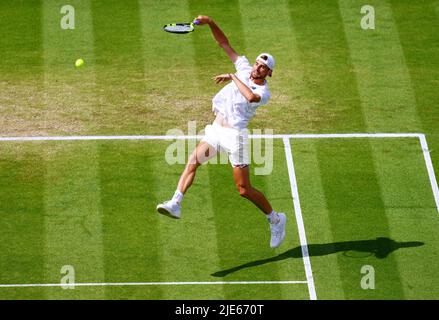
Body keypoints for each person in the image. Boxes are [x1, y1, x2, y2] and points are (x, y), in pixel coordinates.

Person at [157, 15, 286, 248]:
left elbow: (250, 96)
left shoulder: (262, 92)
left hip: (235, 137)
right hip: (216, 130)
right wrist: (210, 22)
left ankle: (275, 219)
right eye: (258, 62)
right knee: (193, 160)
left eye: (263, 67)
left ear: (269, 73)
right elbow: (225, 44)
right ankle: (176, 203)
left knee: (243, 189)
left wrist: (233, 76)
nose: (258, 66)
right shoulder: (245, 67)